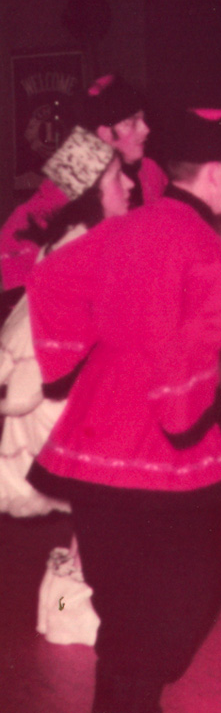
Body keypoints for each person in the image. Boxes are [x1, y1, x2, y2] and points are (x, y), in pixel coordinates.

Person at [26, 107, 221, 713]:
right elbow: (190, 356)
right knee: (190, 593)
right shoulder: (206, 249)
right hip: (160, 444)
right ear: (218, 173)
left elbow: (49, 280)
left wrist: (67, 363)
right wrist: (185, 417)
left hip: (96, 430)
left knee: (123, 605)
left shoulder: (123, 227)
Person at [0, 127, 132, 520]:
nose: (129, 184)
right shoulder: (83, 250)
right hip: (64, 402)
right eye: (116, 178)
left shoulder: (80, 238)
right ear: (90, 194)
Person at [0, 74, 168, 290]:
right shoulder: (78, 166)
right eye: (131, 122)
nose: (145, 129)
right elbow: (14, 240)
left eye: (143, 119)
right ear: (104, 133)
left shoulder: (150, 171)